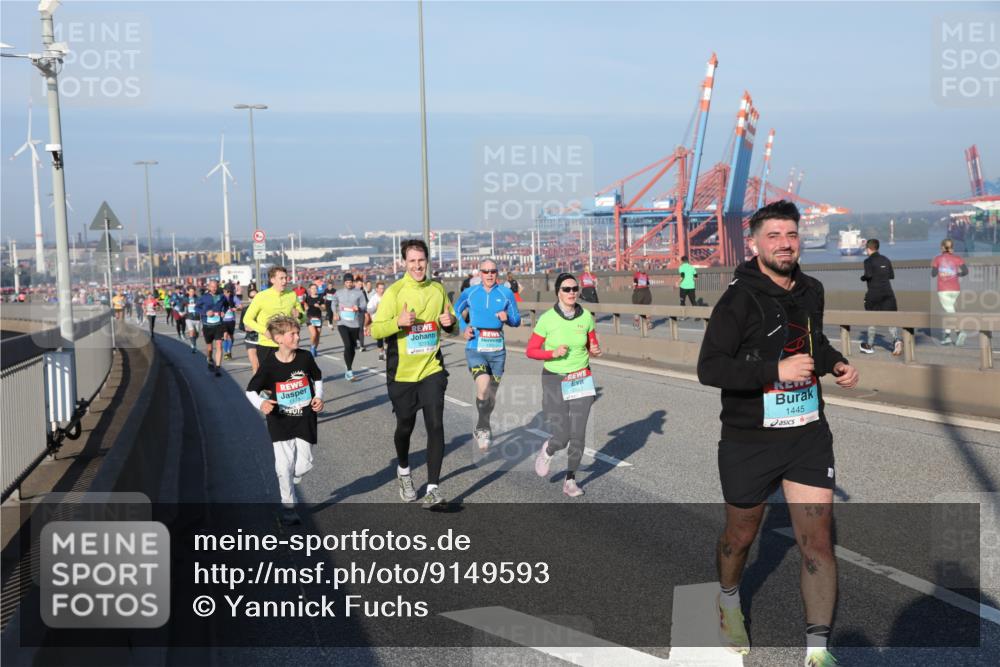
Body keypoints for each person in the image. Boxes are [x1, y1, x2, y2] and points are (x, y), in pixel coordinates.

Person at [697, 200, 859, 666]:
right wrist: (775, 369)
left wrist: (834, 363)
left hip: (807, 432)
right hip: (749, 439)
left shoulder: (811, 290)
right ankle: (728, 598)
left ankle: (817, 651)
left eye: (791, 235)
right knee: (741, 535)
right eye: (774, 236)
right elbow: (709, 368)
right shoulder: (738, 300)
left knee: (818, 541)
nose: (784, 243)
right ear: (754, 243)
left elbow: (815, 342)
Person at [371, 239, 457, 509]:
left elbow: (451, 326)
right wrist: (397, 322)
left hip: (431, 369)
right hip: (402, 374)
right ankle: (404, 471)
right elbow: (375, 330)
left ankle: (433, 489)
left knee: (435, 425)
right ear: (404, 263)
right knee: (405, 427)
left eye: (421, 260)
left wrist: (450, 323)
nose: (417, 266)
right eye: (412, 261)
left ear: (427, 261)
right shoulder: (395, 292)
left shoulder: (437, 289)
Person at [526, 272, 601, 497]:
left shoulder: (586, 316)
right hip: (554, 379)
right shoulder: (547, 319)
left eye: (574, 289)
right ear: (558, 292)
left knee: (578, 435)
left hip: (580, 378)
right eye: (567, 289)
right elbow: (531, 351)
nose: (572, 293)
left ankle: (570, 480)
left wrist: (595, 350)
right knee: (563, 436)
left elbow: (592, 343)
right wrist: (553, 353)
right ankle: (549, 449)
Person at [245, 314, 324, 526]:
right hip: (280, 420)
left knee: (304, 464)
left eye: (298, 333)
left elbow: (317, 377)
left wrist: (318, 397)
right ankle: (289, 507)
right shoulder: (270, 364)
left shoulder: (305, 357)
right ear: (279, 339)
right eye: (293, 334)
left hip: (305, 418)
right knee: (283, 466)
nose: (298, 337)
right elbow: (251, 390)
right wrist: (261, 404)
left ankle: (295, 476)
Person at [454, 258, 522, 451]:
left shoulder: (506, 293)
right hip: (476, 347)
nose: (489, 274)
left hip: (497, 351)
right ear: (479, 273)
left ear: (497, 273)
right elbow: (455, 311)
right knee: (482, 387)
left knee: (490, 394)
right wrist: (463, 328)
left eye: (493, 271)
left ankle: (482, 424)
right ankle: (483, 428)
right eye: (485, 271)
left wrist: (507, 318)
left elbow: (517, 320)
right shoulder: (470, 292)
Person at [243, 266, 304, 368]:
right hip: (267, 345)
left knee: (286, 379)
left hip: (287, 345)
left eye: (286, 278)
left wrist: (300, 315)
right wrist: (264, 331)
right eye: (281, 278)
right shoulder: (261, 296)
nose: (285, 281)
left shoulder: (292, 295)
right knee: (269, 381)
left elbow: (303, 318)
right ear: (272, 280)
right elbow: (247, 319)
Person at [860, 239, 901, 355]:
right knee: (890, 319)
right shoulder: (886, 259)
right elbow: (891, 276)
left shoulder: (868, 261)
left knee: (872, 319)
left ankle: (870, 345)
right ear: (877, 248)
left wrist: (863, 278)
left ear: (868, 249)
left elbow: (868, 275)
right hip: (888, 293)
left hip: (874, 294)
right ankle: (896, 340)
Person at [330, 273, 368, 381]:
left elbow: (364, 305)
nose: (348, 284)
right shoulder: (339, 293)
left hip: (355, 324)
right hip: (342, 323)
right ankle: (350, 371)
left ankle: (348, 366)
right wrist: (335, 313)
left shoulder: (359, 293)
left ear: (353, 282)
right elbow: (333, 302)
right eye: (346, 282)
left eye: (350, 282)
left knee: (352, 348)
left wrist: (359, 308)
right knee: (347, 345)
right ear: (344, 283)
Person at [931, 238, 969, 346]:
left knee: (949, 312)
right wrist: (958, 274)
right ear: (952, 248)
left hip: (943, 290)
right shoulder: (957, 258)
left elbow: (933, 274)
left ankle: (959, 332)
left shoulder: (937, 259)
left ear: (942, 247)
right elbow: (966, 271)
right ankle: (947, 337)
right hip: (955, 289)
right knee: (949, 312)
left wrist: (939, 269)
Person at [365, 281, 387, 361]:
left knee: (388, 337)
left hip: (386, 320)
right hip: (377, 320)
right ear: (377, 289)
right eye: (380, 288)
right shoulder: (374, 298)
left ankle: (386, 351)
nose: (382, 290)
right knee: (379, 338)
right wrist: (376, 308)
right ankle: (381, 352)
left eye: (383, 288)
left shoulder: (387, 296)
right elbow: (369, 310)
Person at [241, 287, 261, 374]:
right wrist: (246, 327)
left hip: (263, 340)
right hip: (250, 339)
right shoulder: (245, 309)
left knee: (262, 366)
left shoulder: (264, 309)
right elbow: (242, 326)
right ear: (249, 298)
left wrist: (256, 327)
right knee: (255, 367)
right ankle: (256, 387)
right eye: (252, 297)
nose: (254, 299)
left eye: (256, 297)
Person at [303, 283, 325, 357]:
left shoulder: (320, 298)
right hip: (310, 318)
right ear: (309, 290)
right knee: (314, 334)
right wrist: (306, 307)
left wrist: (319, 306)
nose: (314, 290)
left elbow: (324, 308)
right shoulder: (307, 298)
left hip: (318, 318)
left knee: (318, 336)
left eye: (315, 288)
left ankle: (315, 348)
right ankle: (312, 347)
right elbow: (304, 305)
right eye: (312, 288)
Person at [221, 286, 242, 361]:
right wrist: (220, 312)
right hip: (223, 321)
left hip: (231, 320)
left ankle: (229, 351)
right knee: (225, 335)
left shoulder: (234, 298)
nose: (226, 293)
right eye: (225, 292)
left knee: (231, 337)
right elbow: (216, 307)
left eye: (227, 292)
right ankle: (226, 352)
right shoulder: (222, 298)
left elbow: (240, 306)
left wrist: (236, 308)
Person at [632, 262, 653, 329]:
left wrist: (634, 289)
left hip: (638, 292)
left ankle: (636, 324)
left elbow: (635, 283)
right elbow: (648, 284)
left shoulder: (636, 275)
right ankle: (649, 324)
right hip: (646, 292)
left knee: (637, 308)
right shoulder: (646, 275)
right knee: (647, 308)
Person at [182, 286, 201, 353]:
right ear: (188, 292)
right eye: (190, 291)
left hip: (197, 318)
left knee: (197, 334)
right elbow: (181, 306)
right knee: (191, 331)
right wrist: (181, 312)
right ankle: (193, 345)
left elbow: (201, 306)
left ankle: (193, 341)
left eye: (193, 291)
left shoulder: (198, 298)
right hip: (189, 317)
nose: (192, 293)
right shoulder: (185, 299)